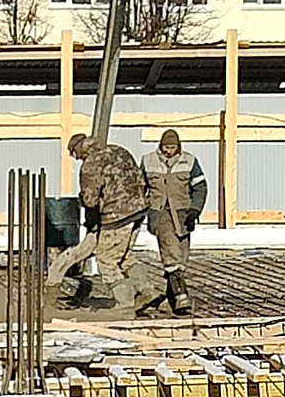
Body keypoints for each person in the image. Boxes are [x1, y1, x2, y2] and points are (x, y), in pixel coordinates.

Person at [43, 131, 147, 307]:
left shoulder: (91, 164)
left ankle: (125, 303)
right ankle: (147, 290)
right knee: (125, 257)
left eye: (74, 154)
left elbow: (90, 200)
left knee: (106, 259)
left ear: (79, 149)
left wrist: (89, 213)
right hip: (138, 210)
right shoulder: (118, 150)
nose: (76, 158)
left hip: (115, 216)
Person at [141, 128, 209, 316]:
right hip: (160, 213)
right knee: (171, 255)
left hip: (182, 215)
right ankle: (181, 297)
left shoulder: (190, 161)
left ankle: (170, 299)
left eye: (172, 147)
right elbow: (140, 188)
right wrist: (144, 210)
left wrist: (195, 210)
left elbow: (200, 187)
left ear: (178, 146)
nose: (169, 151)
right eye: (166, 147)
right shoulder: (148, 161)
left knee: (181, 257)